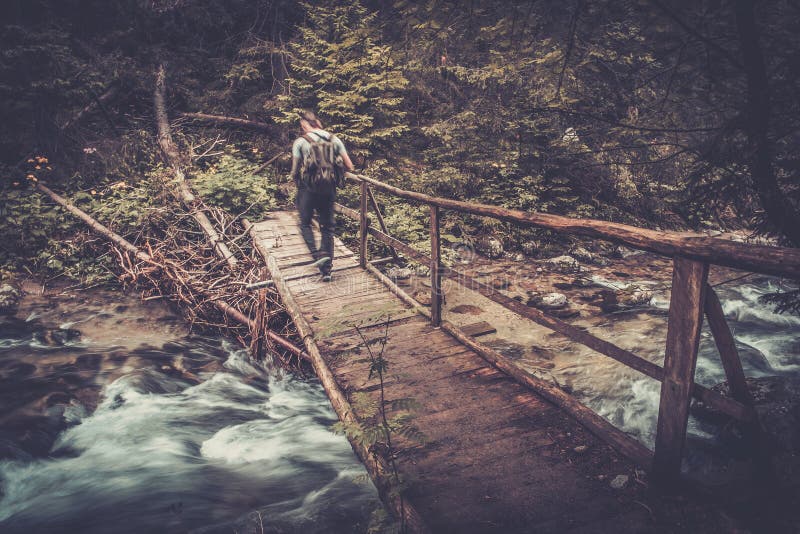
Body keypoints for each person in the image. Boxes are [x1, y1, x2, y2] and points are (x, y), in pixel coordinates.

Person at [289, 110, 354, 282]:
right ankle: (327, 271)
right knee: (328, 228)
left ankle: (318, 255)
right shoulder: (334, 139)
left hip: (308, 189)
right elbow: (350, 165)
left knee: (305, 223)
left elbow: (295, 170)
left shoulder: (301, 141)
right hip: (329, 189)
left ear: (305, 125)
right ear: (318, 122)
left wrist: (298, 181)